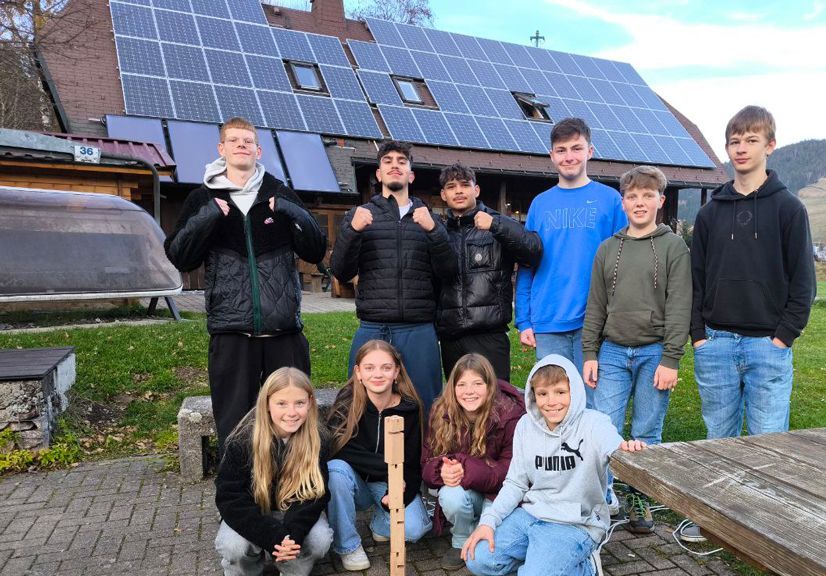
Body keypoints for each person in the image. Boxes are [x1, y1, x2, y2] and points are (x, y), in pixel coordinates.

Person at [685, 105, 815, 543]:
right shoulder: (709, 213)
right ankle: (715, 521)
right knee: (718, 439)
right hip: (716, 343)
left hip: (767, 346)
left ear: (770, 145)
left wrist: (784, 337)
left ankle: (763, 528)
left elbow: (803, 282)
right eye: (734, 142)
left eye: (751, 140)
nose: (741, 149)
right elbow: (695, 280)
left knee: (767, 441)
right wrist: (698, 336)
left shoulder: (789, 209)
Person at [164, 117, 326, 449]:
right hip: (231, 332)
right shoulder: (203, 198)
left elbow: (315, 248)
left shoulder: (278, 193)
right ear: (221, 149)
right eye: (234, 140)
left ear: (258, 149)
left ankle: (296, 492)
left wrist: (292, 212)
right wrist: (208, 216)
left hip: (283, 332)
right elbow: (180, 257)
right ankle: (241, 497)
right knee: (235, 426)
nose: (242, 145)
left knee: (294, 423)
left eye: (248, 141)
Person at [461, 355, 645, 576]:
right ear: (533, 396)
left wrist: (626, 449)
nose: (552, 402)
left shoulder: (594, 423)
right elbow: (515, 482)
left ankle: (588, 573)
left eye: (561, 392)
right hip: (531, 514)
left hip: (575, 523)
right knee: (476, 559)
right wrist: (487, 522)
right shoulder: (526, 425)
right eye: (543, 394)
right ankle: (541, 568)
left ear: (574, 391)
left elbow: (613, 446)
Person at [582, 166, 691, 535]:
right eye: (632, 196)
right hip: (612, 350)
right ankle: (604, 496)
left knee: (647, 430)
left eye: (648, 196)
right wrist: (590, 352)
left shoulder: (674, 247)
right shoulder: (608, 248)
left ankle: (639, 495)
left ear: (660, 201)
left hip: (654, 353)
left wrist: (671, 358)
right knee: (603, 428)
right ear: (623, 202)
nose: (639, 203)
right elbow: (595, 303)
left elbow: (679, 305)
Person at [330, 140, 457, 413]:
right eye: (387, 162)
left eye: (401, 161)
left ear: (411, 174)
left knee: (425, 405)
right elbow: (340, 271)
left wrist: (434, 231)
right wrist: (352, 231)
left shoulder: (430, 219)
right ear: (379, 174)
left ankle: (423, 457)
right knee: (359, 405)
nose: (394, 166)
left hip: (418, 328)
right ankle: (365, 457)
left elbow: (448, 272)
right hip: (373, 325)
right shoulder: (361, 215)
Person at [515, 118, 627, 386]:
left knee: (594, 402)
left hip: (596, 321)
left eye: (576, 148)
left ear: (590, 151)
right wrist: (523, 319)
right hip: (548, 319)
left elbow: (623, 262)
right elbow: (527, 264)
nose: (569, 157)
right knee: (556, 401)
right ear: (551, 156)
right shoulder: (540, 204)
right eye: (561, 150)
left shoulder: (610, 200)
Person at [214, 367, 334, 576]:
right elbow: (230, 497)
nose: (291, 412)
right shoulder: (242, 441)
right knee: (233, 546)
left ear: (310, 403)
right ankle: (245, 575)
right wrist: (272, 536)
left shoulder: (318, 438)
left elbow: (315, 494)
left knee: (320, 540)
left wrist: (292, 536)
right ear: (266, 403)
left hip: (293, 511)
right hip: (253, 512)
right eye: (282, 404)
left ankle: (292, 567)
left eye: (299, 403)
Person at [325, 340, 429, 571]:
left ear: (396, 372)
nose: (378, 374)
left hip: (392, 483)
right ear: (358, 373)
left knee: (415, 530)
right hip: (356, 482)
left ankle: (380, 523)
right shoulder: (347, 403)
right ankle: (348, 546)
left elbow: (412, 462)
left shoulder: (409, 409)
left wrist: (396, 495)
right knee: (334, 470)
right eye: (369, 368)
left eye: (386, 367)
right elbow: (340, 449)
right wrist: (387, 466)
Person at [436, 164, 543, 381]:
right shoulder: (440, 232)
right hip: (451, 336)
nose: (458, 191)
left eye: (465, 185)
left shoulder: (496, 223)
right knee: (460, 404)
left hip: (489, 334)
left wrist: (496, 226)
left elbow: (533, 252)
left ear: (476, 190)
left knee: (497, 404)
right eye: (451, 187)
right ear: (443, 195)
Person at [421, 353, 525, 569]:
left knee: (489, 554)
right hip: (469, 490)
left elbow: (510, 471)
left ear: (490, 386)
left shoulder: (510, 415)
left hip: (500, 494)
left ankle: (485, 529)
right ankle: (460, 541)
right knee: (451, 494)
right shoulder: (441, 411)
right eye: (462, 385)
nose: (469, 391)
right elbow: (427, 460)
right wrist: (442, 469)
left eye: (477, 383)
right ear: (452, 388)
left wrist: (464, 466)